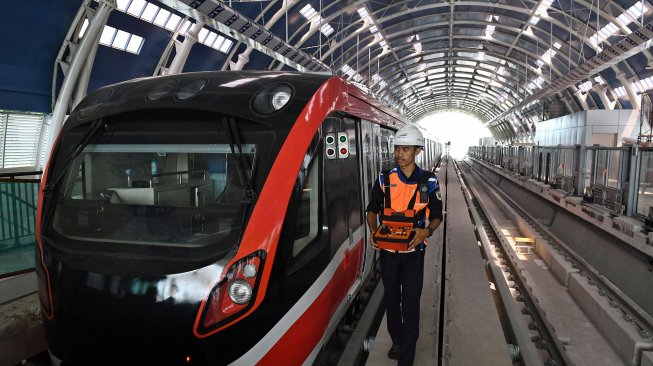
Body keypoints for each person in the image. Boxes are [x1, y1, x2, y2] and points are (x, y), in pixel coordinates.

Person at [366, 124, 443, 366]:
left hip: (413, 253)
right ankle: (397, 339)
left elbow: (437, 215)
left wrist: (427, 230)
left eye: (405, 149)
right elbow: (372, 210)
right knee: (391, 300)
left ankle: (406, 357)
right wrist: (373, 231)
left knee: (410, 303)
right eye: (397, 149)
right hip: (388, 253)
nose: (399, 154)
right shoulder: (383, 179)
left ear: (418, 151)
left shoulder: (429, 181)